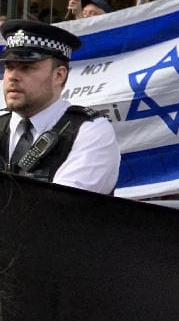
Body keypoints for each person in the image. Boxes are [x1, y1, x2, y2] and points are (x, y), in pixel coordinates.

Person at [0, 19, 119, 193]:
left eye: (26, 68)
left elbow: (58, 208)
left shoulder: (88, 131)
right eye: (9, 67)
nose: (13, 77)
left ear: (59, 75)